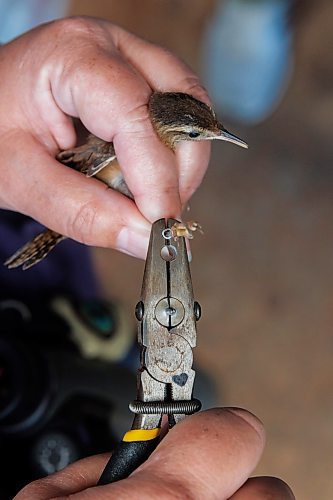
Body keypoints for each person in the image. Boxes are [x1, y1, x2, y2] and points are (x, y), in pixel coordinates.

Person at [0, 17, 294, 498]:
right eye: (199, 136)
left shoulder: (157, 140)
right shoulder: (121, 145)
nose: (210, 141)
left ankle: (124, 354)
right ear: (175, 132)